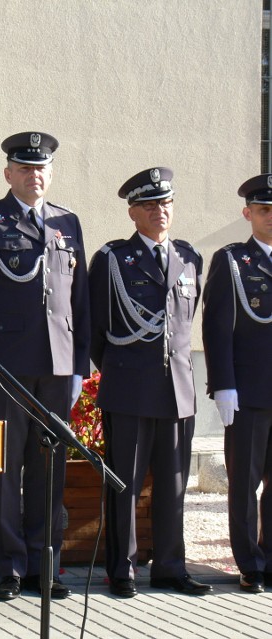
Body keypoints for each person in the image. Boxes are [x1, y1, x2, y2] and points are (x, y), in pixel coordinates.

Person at [0, 131, 90, 601]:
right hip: (6, 368)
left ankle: (43, 566)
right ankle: (11, 567)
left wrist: (80, 367)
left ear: (50, 174)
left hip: (56, 366)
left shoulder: (67, 223)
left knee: (49, 468)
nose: (35, 176)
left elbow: (81, 302)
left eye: (42, 169)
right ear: (8, 173)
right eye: (25, 168)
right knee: (6, 470)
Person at [89, 167, 211, 598]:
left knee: (174, 484)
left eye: (166, 203)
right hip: (129, 388)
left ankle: (170, 567)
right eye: (150, 205)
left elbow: (184, 324)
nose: (161, 212)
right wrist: (126, 369)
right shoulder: (112, 259)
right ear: (133, 212)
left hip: (178, 389)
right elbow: (97, 331)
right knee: (125, 482)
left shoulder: (189, 257)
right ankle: (122, 570)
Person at [202, 174, 272, 594]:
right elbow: (216, 327)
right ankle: (250, 563)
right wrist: (223, 385)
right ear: (248, 214)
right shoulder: (232, 261)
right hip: (248, 393)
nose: (271, 218)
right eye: (264, 210)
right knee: (245, 484)